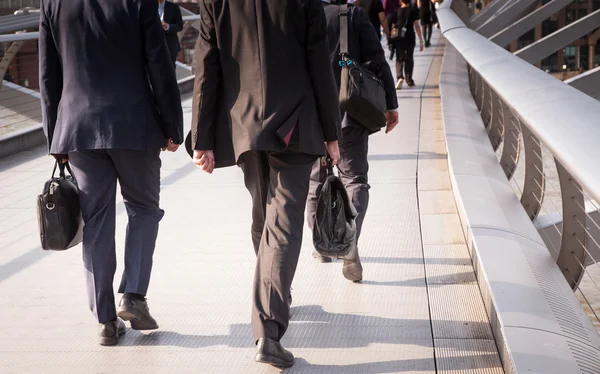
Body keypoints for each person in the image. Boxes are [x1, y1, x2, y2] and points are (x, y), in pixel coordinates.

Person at [190, 0, 341, 368]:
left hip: (243, 124)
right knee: (283, 223)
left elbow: (206, 65)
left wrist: (203, 137)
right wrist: (331, 131)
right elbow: (319, 61)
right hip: (295, 122)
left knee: (264, 217)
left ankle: (273, 294)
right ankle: (269, 330)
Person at [39, 0, 183, 346]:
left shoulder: (53, 3)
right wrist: (173, 126)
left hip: (78, 128)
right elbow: (159, 64)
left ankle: (105, 320)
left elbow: (48, 74)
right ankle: (132, 295)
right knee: (144, 209)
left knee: (97, 219)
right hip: (135, 124)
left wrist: (53, 137)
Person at [307, 2, 399, 282]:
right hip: (349, 112)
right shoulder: (352, 15)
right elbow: (377, 60)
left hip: (309, 115)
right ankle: (349, 242)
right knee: (355, 180)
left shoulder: (299, 13)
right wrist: (391, 105)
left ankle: (324, 246)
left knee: (313, 184)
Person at [390, 0, 424, 88]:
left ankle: (399, 77)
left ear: (400, 1)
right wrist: (421, 40)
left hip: (399, 38)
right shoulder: (413, 11)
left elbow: (393, 26)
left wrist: (391, 39)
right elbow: (416, 25)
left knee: (399, 58)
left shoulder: (397, 11)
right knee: (409, 58)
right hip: (410, 37)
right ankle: (409, 80)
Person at [158, 0, 184, 68]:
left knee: (170, 72)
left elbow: (179, 26)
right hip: (153, 48)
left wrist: (168, 26)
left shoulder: (174, 7)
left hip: (170, 47)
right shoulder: (148, 7)